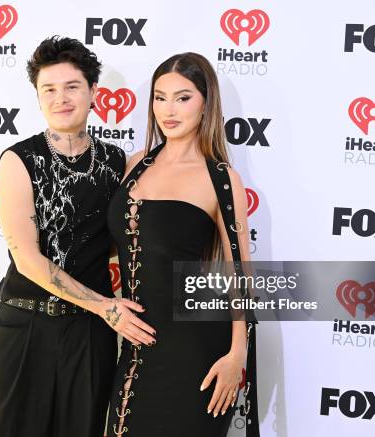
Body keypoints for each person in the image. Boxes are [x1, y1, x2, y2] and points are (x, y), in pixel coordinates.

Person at [0, 36, 156, 437]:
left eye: (72, 86)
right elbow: (27, 258)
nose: (61, 98)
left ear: (93, 92)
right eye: (48, 90)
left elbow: (125, 242)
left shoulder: (117, 162)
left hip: (89, 338)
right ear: (38, 97)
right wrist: (106, 307)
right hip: (24, 329)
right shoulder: (19, 159)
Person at [107, 52, 260, 436]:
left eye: (183, 97)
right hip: (137, 347)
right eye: (160, 97)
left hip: (197, 352)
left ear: (206, 102)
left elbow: (239, 270)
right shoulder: (134, 165)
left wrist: (236, 353)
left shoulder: (222, 178)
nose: (168, 109)